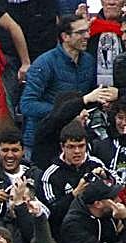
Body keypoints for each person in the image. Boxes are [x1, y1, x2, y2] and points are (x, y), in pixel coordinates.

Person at [20, 15, 98, 154]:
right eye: (80, 32)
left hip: (74, 140)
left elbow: (88, 96)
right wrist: (66, 112)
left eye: (87, 31)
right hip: (42, 140)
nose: (87, 36)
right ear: (65, 37)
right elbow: (27, 104)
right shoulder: (45, 63)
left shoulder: (89, 61)